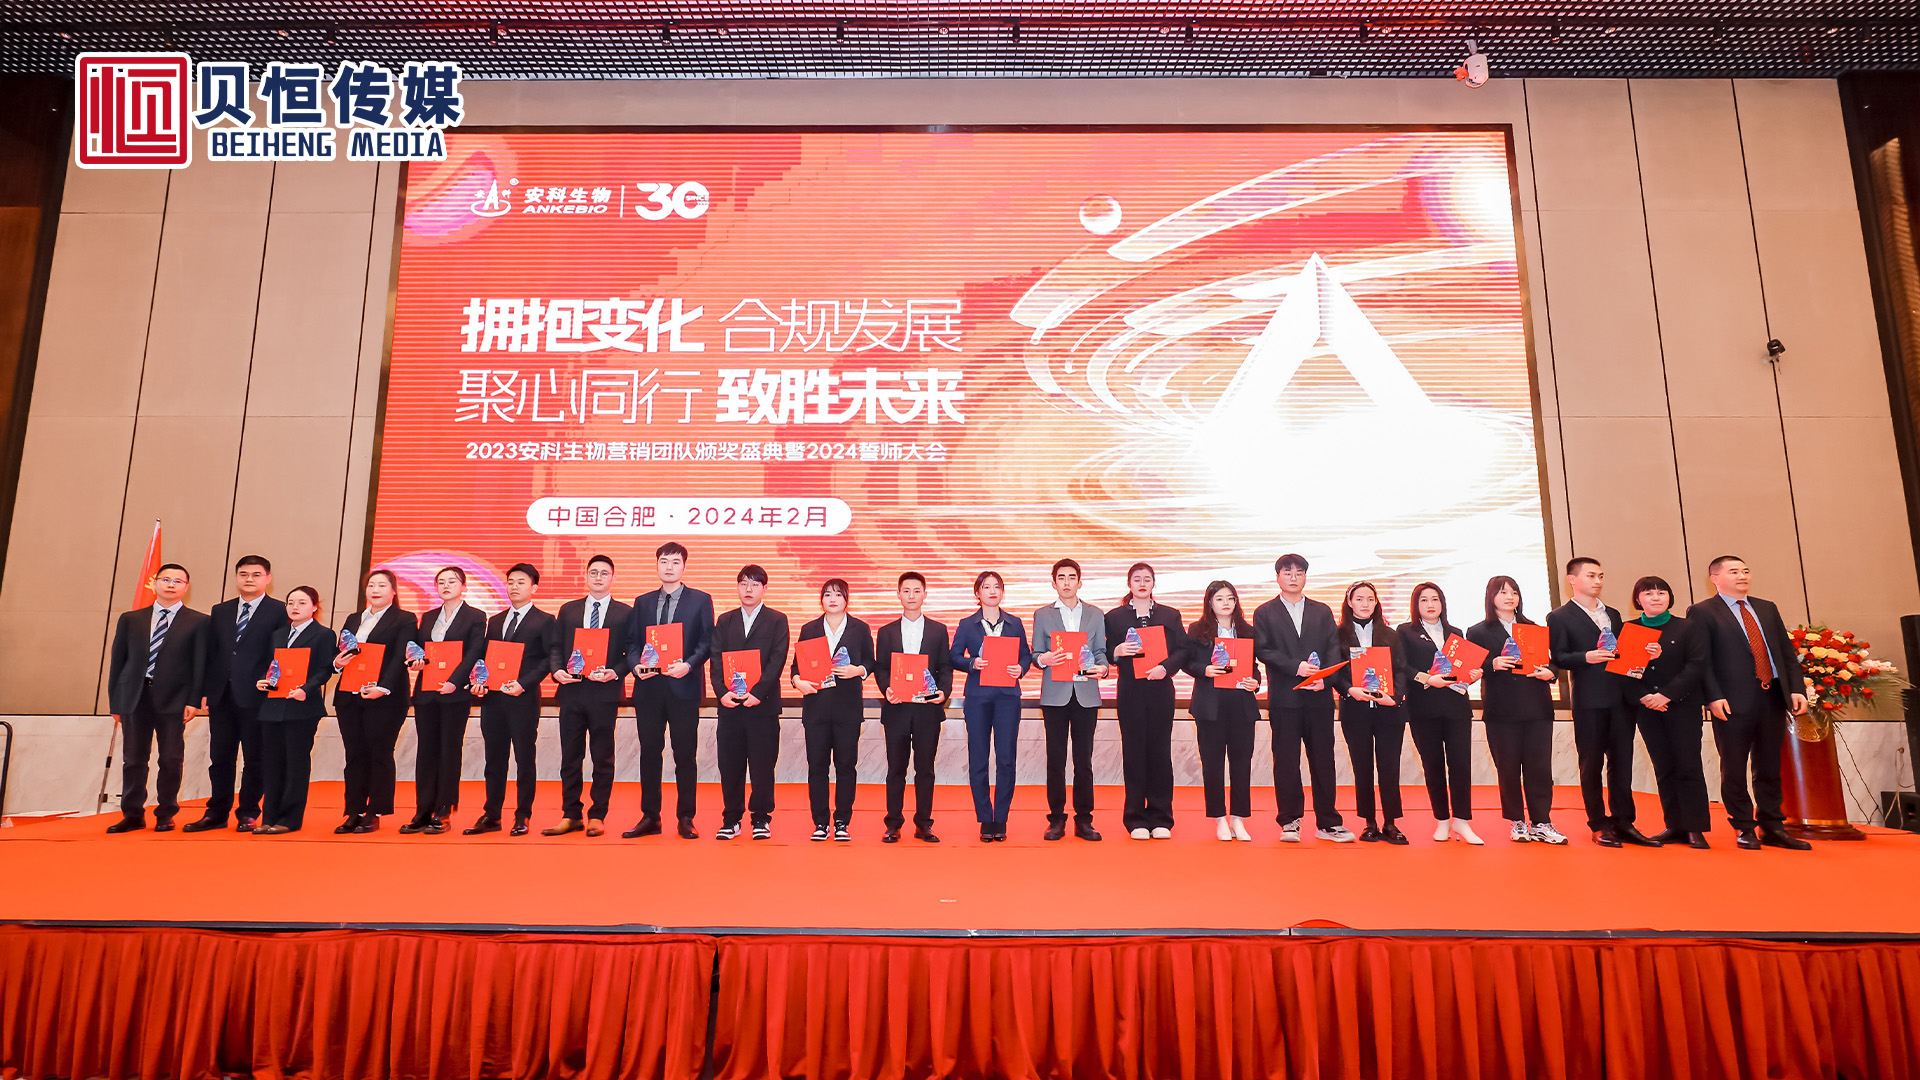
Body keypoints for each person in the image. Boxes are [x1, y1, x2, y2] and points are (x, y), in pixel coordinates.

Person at [1685, 555, 1813, 851]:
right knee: (1734, 767)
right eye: (1734, 571)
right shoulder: (1702, 611)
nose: (1742, 576)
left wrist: (1796, 689)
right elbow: (1701, 660)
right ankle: (1743, 826)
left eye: (1745, 571)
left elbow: (1785, 651)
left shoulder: (1766, 608)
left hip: (1772, 696)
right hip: (1730, 701)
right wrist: (1713, 696)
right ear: (1715, 578)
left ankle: (1773, 826)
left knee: (1769, 766)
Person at [1547, 557, 1657, 848]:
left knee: (1622, 763)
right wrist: (1586, 656)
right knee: (1591, 765)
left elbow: (1625, 653)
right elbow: (1558, 657)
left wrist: (1646, 653)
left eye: (1601, 576)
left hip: (1621, 698)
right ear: (1572, 579)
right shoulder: (1559, 616)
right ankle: (1598, 824)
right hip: (1590, 700)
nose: (1598, 581)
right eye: (1591, 576)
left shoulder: (1613, 614)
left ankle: (1624, 822)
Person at [186, 555, 288, 833]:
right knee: (220, 758)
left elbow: (281, 654)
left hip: (258, 697)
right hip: (222, 696)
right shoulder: (221, 610)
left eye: (256, 574)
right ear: (236, 577)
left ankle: (248, 813)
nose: (249, 579)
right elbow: (212, 654)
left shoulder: (280, 611)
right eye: (243, 574)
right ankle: (216, 813)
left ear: (268, 578)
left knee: (255, 758)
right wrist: (206, 691)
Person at [105, 563, 210, 834]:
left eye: (177, 581)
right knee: (133, 759)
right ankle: (132, 814)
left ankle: (166, 813)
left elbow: (200, 664)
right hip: (135, 697)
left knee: (171, 759)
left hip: (174, 699)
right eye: (166, 579)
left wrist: (193, 700)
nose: (171, 585)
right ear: (155, 583)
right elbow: (118, 662)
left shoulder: (199, 621)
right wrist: (116, 701)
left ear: (186, 587)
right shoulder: (131, 619)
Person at [1253, 554, 1351, 843]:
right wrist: (1295, 667)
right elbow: (1263, 650)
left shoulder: (1322, 611)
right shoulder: (1265, 612)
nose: (1293, 577)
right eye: (1287, 572)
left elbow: (1334, 649)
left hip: (1319, 699)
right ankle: (1289, 820)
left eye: (1299, 572)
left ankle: (1328, 823)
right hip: (1285, 698)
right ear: (1278, 577)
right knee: (1286, 761)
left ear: (1306, 576)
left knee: (1323, 760)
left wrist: (1325, 680)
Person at [625, 541, 714, 839]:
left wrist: (688, 665)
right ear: (657, 565)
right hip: (649, 689)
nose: (669, 567)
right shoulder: (643, 602)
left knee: (685, 755)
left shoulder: (701, 600)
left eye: (675, 562)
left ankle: (686, 817)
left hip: (683, 687)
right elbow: (632, 643)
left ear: (684, 566)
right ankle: (650, 817)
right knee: (649, 753)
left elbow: (707, 642)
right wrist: (636, 665)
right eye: (664, 561)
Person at [1467, 576, 1566, 844]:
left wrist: (1551, 673)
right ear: (1491, 597)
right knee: (1508, 768)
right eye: (1503, 592)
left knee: (1539, 769)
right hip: (1501, 712)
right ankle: (1517, 820)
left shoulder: (1533, 628)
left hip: (1537, 707)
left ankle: (1542, 821)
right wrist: (1492, 664)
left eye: (1514, 592)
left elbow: (1552, 662)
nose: (1510, 597)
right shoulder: (1478, 631)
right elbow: (1470, 667)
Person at [546, 555, 632, 838]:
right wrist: (557, 670)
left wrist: (616, 672)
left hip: (604, 694)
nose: (598, 577)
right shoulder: (568, 610)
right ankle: (570, 814)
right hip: (572, 691)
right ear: (585, 576)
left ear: (613, 578)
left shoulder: (625, 613)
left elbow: (631, 652)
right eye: (593, 572)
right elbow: (556, 646)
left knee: (602, 758)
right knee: (570, 757)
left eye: (604, 573)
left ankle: (597, 815)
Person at [465, 563, 554, 837]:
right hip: (493, 700)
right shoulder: (495, 620)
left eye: (521, 582)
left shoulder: (545, 620)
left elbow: (548, 660)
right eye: (511, 582)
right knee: (494, 759)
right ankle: (491, 814)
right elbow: (485, 658)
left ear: (534, 587)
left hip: (523, 699)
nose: (514, 587)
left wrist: (524, 684)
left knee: (525, 759)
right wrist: (478, 682)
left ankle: (522, 815)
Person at [1624, 575, 1711, 849]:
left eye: (1661, 592)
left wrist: (1666, 695)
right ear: (1638, 599)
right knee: (1663, 767)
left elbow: (1696, 666)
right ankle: (1674, 825)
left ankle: (1695, 828)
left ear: (1670, 597)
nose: (1656, 597)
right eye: (1648, 593)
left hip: (1682, 705)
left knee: (1688, 765)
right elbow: (1624, 670)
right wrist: (1644, 696)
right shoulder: (1629, 628)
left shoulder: (1687, 627)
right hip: (1647, 708)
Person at [330, 569, 417, 834]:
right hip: (349, 695)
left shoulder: (405, 618)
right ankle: (354, 810)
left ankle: (375, 811)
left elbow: (400, 656)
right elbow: (341, 651)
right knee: (354, 754)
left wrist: (383, 687)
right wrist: (336, 663)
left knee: (379, 753)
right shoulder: (354, 618)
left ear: (393, 591)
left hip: (385, 698)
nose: (375, 590)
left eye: (381, 585)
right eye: (371, 585)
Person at [1104, 563, 1186, 839]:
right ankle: (1135, 818)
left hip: (1161, 690)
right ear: (1129, 584)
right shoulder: (1114, 617)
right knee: (1134, 753)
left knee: (1160, 753)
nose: (1142, 583)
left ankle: (1162, 817)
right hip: (1131, 691)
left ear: (1154, 583)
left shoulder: (1170, 615)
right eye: (1136, 579)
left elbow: (1182, 650)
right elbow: (1102, 651)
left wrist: (1166, 667)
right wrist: (1117, 651)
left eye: (1147, 579)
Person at [950, 570, 1033, 842]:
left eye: (997, 586)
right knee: (979, 758)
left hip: (1008, 697)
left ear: (1002, 592)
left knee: (1007, 759)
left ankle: (1001, 818)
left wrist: (1020, 668)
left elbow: (1025, 655)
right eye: (986, 587)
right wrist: (971, 663)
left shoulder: (1014, 623)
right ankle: (986, 818)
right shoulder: (967, 624)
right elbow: (954, 656)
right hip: (977, 698)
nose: (992, 591)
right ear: (978, 593)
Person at [403, 566, 486, 835]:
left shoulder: (476, 616)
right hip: (426, 692)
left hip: (455, 693)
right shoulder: (427, 617)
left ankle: (444, 810)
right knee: (426, 751)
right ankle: (422, 809)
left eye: (452, 581)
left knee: (449, 750)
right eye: (441, 582)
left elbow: (474, 651)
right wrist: (414, 661)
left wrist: (455, 681)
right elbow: (418, 649)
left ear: (464, 587)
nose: (446, 586)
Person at [1399, 582, 1483, 845]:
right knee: (1433, 765)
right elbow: (1401, 665)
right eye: (1424, 600)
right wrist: (1426, 678)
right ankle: (1442, 820)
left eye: (1435, 599)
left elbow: (1462, 667)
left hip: (1457, 707)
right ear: (1416, 605)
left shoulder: (1455, 632)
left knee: (1461, 765)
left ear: (1442, 603)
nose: (1430, 604)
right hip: (1423, 708)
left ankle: (1462, 821)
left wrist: (1474, 674)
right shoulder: (1405, 631)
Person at [1333, 581, 1414, 845]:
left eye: (1370, 598)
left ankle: (1391, 822)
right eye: (1359, 599)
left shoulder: (1391, 634)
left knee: (1390, 767)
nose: (1365, 603)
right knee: (1362, 767)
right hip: (1355, 710)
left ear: (1376, 602)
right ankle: (1369, 822)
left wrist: (1396, 697)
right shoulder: (1338, 635)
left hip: (1389, 711)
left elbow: (1401, 669)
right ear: (1349, 602)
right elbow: (1334, 670)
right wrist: (1348, 690)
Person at [711, 564, 789, 840]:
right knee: (729, 765)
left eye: (755, 584)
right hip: (730, 706)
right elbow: (716, 658)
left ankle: (761, 818)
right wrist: (721, 692)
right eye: (743, 583)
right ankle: (731, 819)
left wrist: (758, 692)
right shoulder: (725, 620)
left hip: (762, 707)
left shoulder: (777, 620)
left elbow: (777, 659)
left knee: (762, 766)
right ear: (737, 587)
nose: (748, 589)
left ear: (764, 589)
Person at [1032, 558, 1108, 841]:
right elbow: (1035, 653)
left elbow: (1100, 652)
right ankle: (1056, 819)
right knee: (1056, 759)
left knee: (1083, 761)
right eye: (1061, 578)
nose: (1066, 582)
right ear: (1054, 583)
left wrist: (1102, 668)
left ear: (1080, 582)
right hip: (1055, 695)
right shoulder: (1042, 615)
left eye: (1071, 577)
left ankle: (1084, 819)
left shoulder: (1095, 614)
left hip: (1086, 694)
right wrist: (1044, 659)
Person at [792, 578, 873, 841]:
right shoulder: (809, 629)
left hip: (848, 710)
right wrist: (797, 682)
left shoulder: (860, 629)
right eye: (827, 594)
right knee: (817, 767)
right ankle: (820, 822)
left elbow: (871, 662)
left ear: (847, 598)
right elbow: (796, 668)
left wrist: (858, 670)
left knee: (846, 766)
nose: (833, 599)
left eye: (838, 594)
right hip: (816, 710)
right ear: (821, 599)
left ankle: (841, 822)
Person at [873, 572, 951, 843]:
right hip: (896, 709)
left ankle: (924, 824)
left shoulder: (938, 631)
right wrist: (887, 689)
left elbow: (945, 667)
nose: (911, 596)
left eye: (917, 591)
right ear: (898, 594)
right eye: (906, 591)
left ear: (925, 595)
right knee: (896, 769)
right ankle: (893, 824)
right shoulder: (886, 632)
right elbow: (881, 668)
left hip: (927, 710)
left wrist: (943, 692)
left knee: (925, 769)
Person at [253, 586, 334, 834]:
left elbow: (325, 669)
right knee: (272, 763)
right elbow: (269, 665)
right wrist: (263, 680)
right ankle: (269, 817)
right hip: (273, 706)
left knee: (296, 764)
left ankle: (289, 819)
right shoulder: (278, 634)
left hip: (302, 707)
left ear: (314, 607)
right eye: (290, 602)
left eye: (302, 602)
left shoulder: (324, 634)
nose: (295, 607)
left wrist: (306, 689)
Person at [1184, 581, 1259, 842]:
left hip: (1241, 706)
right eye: (1219, 599)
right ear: (1209, 603)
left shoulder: (1248, 631)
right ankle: (1219, 818)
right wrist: (1203, 670)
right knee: (1213, 765)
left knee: (1241, 764)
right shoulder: (1197, 630)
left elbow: (1254, 666)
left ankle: (1238, 818)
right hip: (1210, 707)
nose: (1226, 603)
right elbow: (1187, 662)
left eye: (1230, 598)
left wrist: (1255, 681)